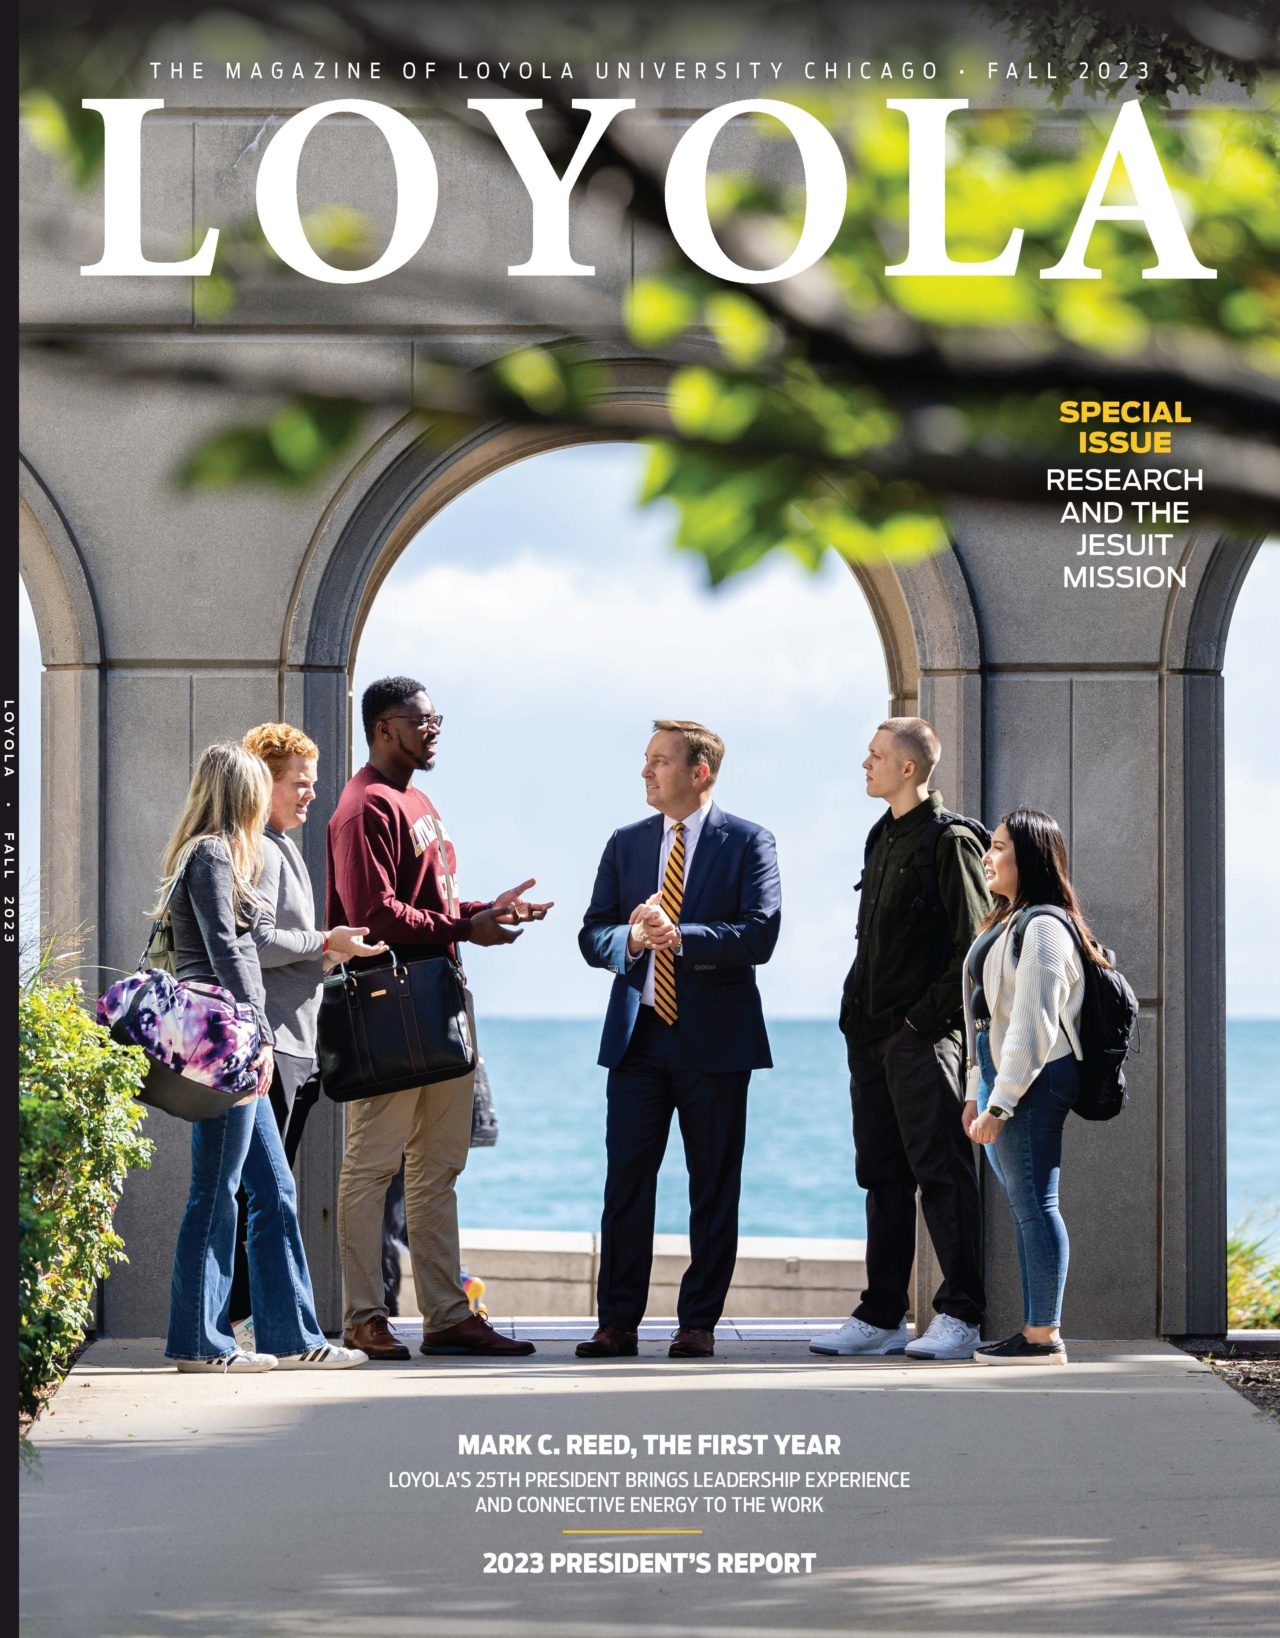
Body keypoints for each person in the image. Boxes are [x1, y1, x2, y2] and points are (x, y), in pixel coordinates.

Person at [327, 676, 551, 1360]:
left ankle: (447, 1317)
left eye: (437, 719)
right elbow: (375, 915)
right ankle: (365, 1317)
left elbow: (426, 903)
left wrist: (488, 911)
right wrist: (467, 925)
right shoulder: (362, 806)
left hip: (441, 1000)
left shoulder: (416, 799)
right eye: (421, 720)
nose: (434, 730)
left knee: (437, 1168)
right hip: (389, 1006)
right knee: (373, 1165)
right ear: (383, 727)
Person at [577, 720, 781, 1361]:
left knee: (713, 1186)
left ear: (700, 773)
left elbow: (760, 935)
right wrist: (632, 941)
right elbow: (592, 935)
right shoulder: (625, 843)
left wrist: (680, 935)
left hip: (716, 1043)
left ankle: (698, 1324)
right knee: (625, 1185)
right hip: (639, 1042)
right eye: (645, 760)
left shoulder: (749, 841)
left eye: (659, 762)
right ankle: (617, 1324)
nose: (645, 772)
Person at [161, 741, 366, 1372]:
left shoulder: (216, 854)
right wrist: (254, 1031)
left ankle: (292, 1338)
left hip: (232, 1040)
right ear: (241, 790)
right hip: (229, 1042)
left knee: (272, 1191)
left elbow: (238, 946)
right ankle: (201, 1342)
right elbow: (230, 950)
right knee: (215, 1191)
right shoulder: (214, 854)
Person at [811, 717, 992, 1361]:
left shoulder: (951, 841)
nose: (866, 763)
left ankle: (962, 1313)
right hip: (869, 1037)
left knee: (941, 1171)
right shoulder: (880, 835)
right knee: (882, 1176)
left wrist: (921, 1024)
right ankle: (881, 1313)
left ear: (909, 768)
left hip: (921, 1039)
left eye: (877, 755)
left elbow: (975, 944)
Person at [226, 721, 387, 1351]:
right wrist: (325, 941)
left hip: (296, 1043)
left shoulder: (281, 845)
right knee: (264, 1194)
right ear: (262, 781)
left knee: (264, 1191)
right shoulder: (261, 849)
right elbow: (256, 941)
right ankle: (255, 1325)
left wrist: (328, 956)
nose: (310, 794)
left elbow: (282, 951)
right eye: (300, 782)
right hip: (275, 1048)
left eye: (313, 783)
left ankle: (255, 1325)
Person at [962, 808, 1100, 1366]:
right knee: (1026, 1206)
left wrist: (1000, 1101)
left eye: (998, 847)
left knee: (1037, 1206)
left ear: (1031, 858)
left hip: (1035, 1080)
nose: (988, 856)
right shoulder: (1007, 921)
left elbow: (1034, 1024)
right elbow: (984, 1017)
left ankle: (1043, 1336)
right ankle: (1035, 1330)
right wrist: (977, 1088)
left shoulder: (1043, 927)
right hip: (1006, 1078)